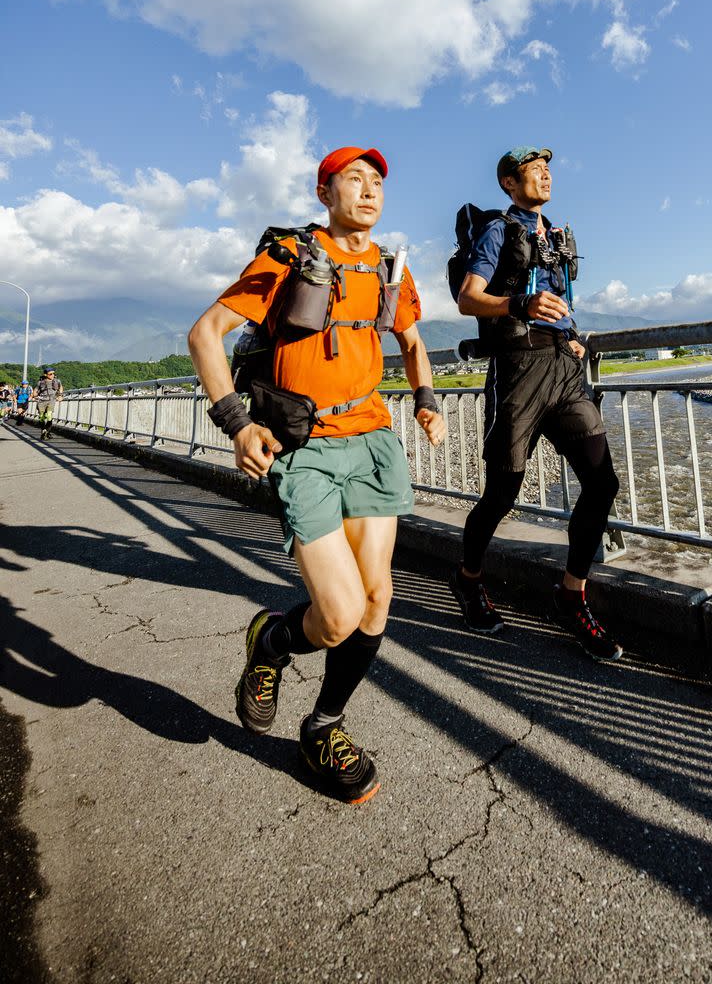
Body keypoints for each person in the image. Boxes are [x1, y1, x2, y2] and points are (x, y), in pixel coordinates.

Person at [189, 146, 445, 805]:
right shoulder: (289, 255)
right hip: (306, 449)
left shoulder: (391, 265)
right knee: (338, 615)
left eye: (378, 181)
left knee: (378, 598)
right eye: (353, 180)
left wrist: (425, 400)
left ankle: (323, 726)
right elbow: (205, 333)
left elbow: (412, 342)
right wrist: (237, 425)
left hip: (373, 442)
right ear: (323, 191)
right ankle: (271, 642)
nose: (369, 191)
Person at [451, 146, 623, 662]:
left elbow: (557, 297)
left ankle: (571, 595)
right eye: (533, 169)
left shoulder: (557, 236)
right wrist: (519, 304)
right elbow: (467, 298)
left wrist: (569, 335)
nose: (546, 174)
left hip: (564, 369)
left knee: (602, 482)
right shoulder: (498, 231)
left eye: (549, 167)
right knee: (502, 493)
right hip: (519, 369)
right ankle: (467, 578)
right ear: (508, 181)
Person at [35, 368, 63, 440]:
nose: (53, 375)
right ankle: (43, 430)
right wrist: (34, 395)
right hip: (41, 401)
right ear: (45, 374)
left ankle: (47, 431)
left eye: (53, 373)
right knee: (41, 417)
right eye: (50, 374)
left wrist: (60, 395)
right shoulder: (40, 382)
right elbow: (35, 390)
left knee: (49, 415)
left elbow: (61, 388)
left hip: (51, 400)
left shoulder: (57, 381)